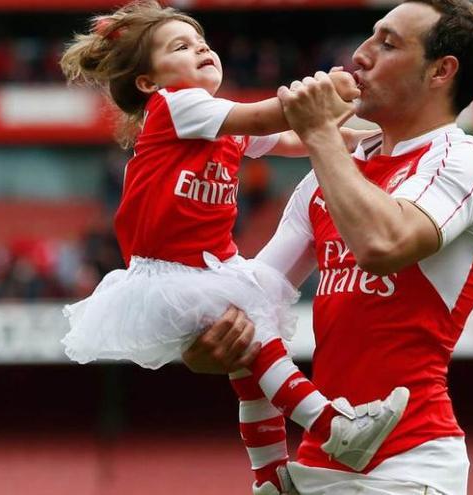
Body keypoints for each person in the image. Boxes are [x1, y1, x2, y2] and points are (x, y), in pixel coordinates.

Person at [56, 2, 410, 494]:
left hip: (206, 268)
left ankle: (268, 476)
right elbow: (274, 117)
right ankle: (333, 428)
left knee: (250, 369)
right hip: (174, 274)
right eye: (180, 47)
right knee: (262, 343)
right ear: (148, 83)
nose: (200, 49)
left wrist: (353, 139)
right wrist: (328, 93)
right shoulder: (178, 105)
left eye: (202, 42)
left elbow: (291, 138)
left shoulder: (217, 125)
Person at [184, 1, 473, 493]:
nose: (361, 53)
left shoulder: (468, 160)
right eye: (370, 36)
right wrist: (208, 340)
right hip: (319, 459)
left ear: (441, 71)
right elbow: (252, 299)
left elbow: (383, 243)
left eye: (388, 43)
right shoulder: (328, 176)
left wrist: (319, 134)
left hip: (408, 463)